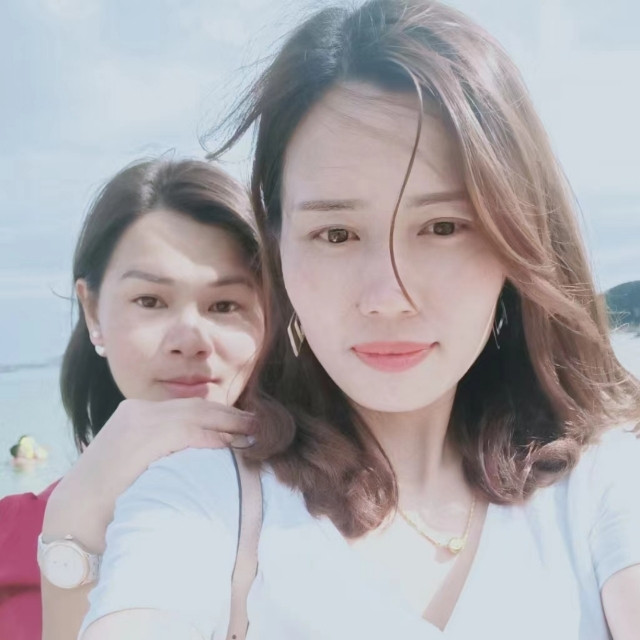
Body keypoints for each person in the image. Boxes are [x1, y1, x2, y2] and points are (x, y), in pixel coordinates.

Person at [75, 2, 640, 639]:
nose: (387, 297)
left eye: (443, 227)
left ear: (516, 237)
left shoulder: (601, 479)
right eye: (337, 234)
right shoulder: (206, 498)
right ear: (278, 248)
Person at [0, 159, 264, 640]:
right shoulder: (10, 541)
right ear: (92, 310)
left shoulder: (337, 511)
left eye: (225, 305)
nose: (190, 339)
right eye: (150, 301)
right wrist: (74, 521)